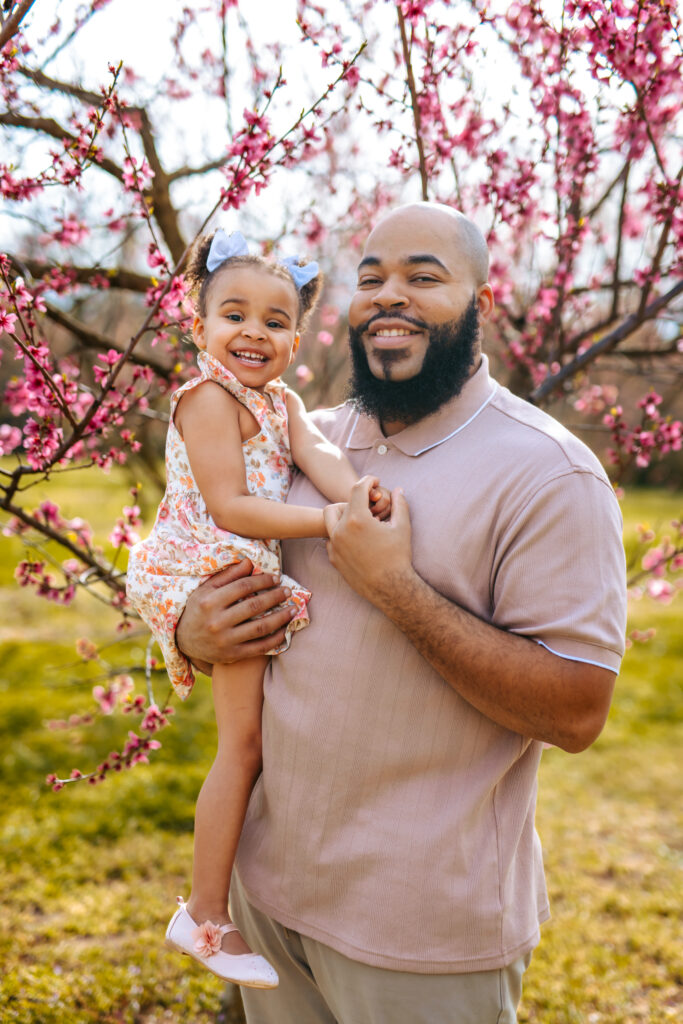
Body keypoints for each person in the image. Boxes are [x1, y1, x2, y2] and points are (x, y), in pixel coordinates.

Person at [175, 203, 627, 1023]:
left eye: (423, 277)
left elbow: (575, 712)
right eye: (371, 277)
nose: (390, 296)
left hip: (419, 935)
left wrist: (396, 591)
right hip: (268, 898)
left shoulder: (549, 474)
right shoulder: (295, 437)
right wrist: (188, 628)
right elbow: (195, 539)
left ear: (478, 302)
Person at [126, 228, 390, 990]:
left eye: (275, 321)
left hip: (242, 569)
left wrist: (360, 497)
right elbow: (231, 506)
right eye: (234, 314)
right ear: (198, 325)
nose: (254, 332)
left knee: (256, 746)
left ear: (296, 339)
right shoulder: (208, 400)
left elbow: (318, 458)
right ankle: (205, 916)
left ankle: (230, 903)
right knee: (240, 749)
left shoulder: (280, 401)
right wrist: (330, 524)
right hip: (211, 572)